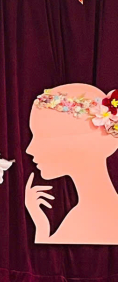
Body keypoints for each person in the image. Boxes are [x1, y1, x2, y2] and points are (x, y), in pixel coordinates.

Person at [24, 83, 118, 244]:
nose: (29, 149)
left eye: (43, 136)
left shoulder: (84, 217)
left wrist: (41, 229)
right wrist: (40, 225)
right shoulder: (83, 214)